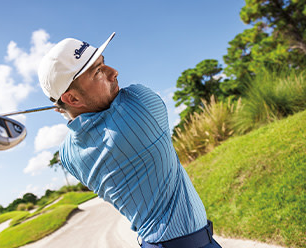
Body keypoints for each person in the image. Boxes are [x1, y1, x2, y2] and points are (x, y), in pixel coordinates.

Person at [37, 32, 222, 248]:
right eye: (98, 72)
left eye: (103, 63)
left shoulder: (68, 156)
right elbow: (122, 97)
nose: (113, 72)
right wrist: (66, 105)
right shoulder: (140, 105)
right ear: (73, 98)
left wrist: (67, 106)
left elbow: (78, 120)